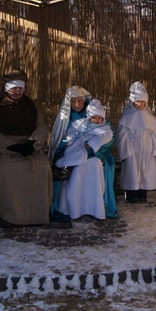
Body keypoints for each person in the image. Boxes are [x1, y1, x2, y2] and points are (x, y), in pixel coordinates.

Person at [0, 70, 52, 226]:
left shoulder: (30, 106)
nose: (18, 91)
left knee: (43, 165)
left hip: (30, 146)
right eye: (14, 88)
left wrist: (33, 143)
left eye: (20, 88)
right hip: (6, 149)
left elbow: (41, 127)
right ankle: (9, 214)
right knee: (8, 168)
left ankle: (36, 215)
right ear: (7, 89)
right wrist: (11, 146)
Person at [56, 99, 112, 220]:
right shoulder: (82, 123)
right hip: (78, 147)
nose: (96, 120)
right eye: (94, 118)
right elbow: (72, 131)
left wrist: (91, 144)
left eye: (99, 118)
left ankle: (94, 208)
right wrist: (71, 139)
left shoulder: (105, 129)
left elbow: (105, 138)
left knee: (92, 165)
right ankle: (75, 208)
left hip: (92, 154)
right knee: (73, 159)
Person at [48, 85, 93, 219]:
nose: (77, 104)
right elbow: (59, 138)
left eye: (79, 101)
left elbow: (106, 134)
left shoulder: (94, 115)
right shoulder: (65, 118)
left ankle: (89, 206)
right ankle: (64, 206)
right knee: (62, 166)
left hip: (90, 151)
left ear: (84, 101)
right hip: (69, 150)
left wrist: (92, 148)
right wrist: (66, 144)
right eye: (73, 102)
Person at [116, 81, 156, 204]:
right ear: (132, 101)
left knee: (145, 172)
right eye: (137, 101)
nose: (140, 104)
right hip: (131, 149)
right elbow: (122, 135)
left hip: (147, 149)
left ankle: (143, 194)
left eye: (142, 101)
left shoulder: (149, 116)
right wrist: (125, 152)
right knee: (132, 172)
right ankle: (131, 195)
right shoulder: (127, 116)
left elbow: (155, 135)